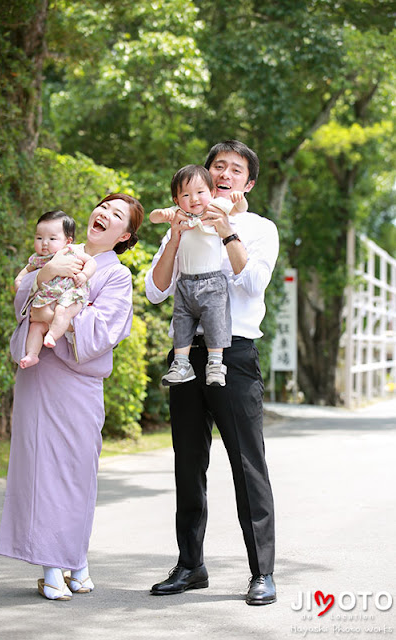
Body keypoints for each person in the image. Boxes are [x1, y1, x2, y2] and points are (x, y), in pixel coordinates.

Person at [145, 140, 279, 605]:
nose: (224, 174)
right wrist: (179, 235)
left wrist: (226, 231)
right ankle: (190, 565)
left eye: (235, 169)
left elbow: (254, 282)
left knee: (247, 463)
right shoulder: (184, 217)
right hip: (187, 354)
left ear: (248, 183)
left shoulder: (259, 228)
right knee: (188, 463)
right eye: (216, 166)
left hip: (236, 355)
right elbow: (157, 291)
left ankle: (262, 571)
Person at [0, 193, 144, 601]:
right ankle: (51, 568)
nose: (105, 214)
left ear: (124, 234)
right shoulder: (58, 248)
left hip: (78, 381)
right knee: (41, 468)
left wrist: (68, 304)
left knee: (78, 471)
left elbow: (105, 330)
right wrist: (46, 277)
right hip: (39, 372)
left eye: (117, 215)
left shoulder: (116, 275)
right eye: (103, 207)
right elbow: (22, 298)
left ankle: (75, 558)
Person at [149, 164, 248, 387]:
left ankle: (215, 364)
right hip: (184, 282)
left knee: (215, 322)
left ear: (212, 193)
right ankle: (181, 364)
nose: (194, 199)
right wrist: (163, 214)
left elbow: (239, 208)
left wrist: (237, 198)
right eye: (186, 194)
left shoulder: (216, 208)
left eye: (200, 192)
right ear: (176, 200)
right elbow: (153, 217)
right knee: (182, 323)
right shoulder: (179, 215)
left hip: (212, 281)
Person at [16, 210, 97, 369]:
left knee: (62, 310)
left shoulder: (72, 252)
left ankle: (53, 334)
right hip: (47, 298)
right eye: (39, 238)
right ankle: (32, 354)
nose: (44, 243)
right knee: (35, 327)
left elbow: (91, 263)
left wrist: (84, 275)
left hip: (71, 294)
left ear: (68, 241)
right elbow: (23, 274)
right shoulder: (38, 259)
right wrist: (20, 283)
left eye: (52, 238)